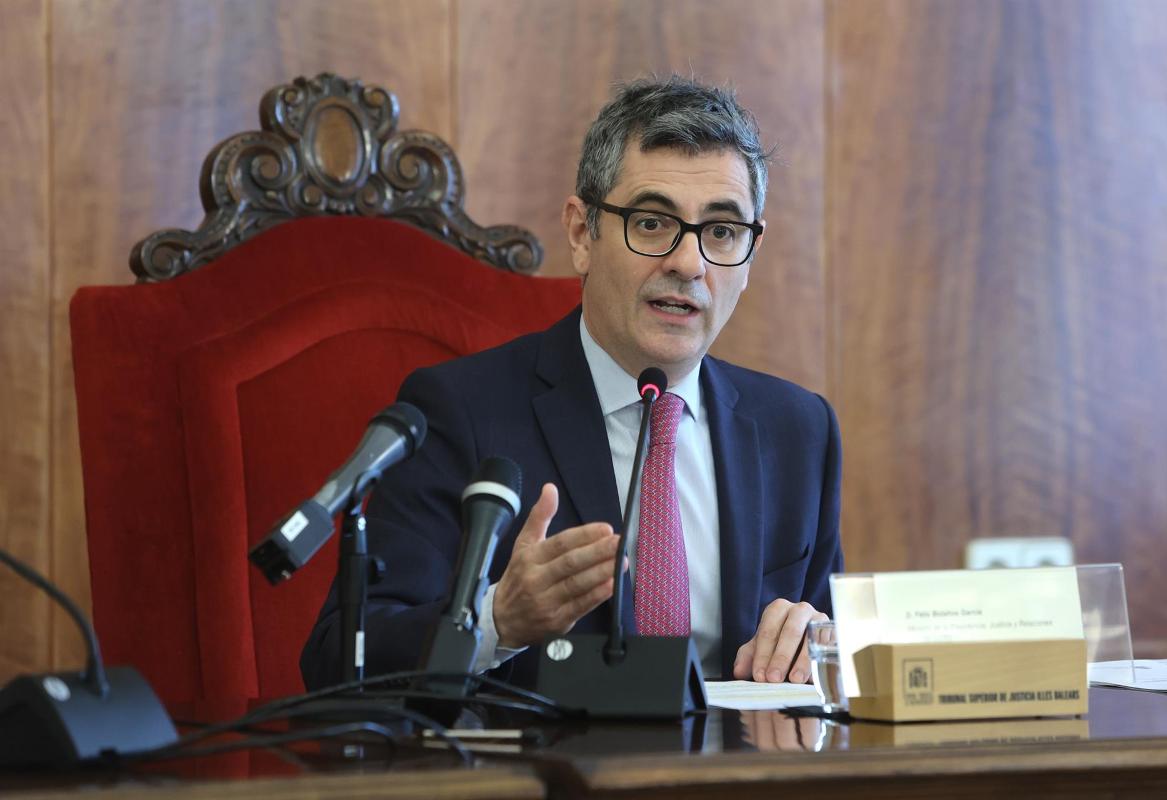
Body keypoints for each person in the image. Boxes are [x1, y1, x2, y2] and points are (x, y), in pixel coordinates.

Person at [301, 76, 843, 690]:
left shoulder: (799, 431)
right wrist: (495, 622)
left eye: (720, 232)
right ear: (583, 233)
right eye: (651, 223)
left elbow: (832, 651)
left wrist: (820, 645)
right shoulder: (459, 412)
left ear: (751, 251)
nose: (688, 264)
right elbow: (339, 658)